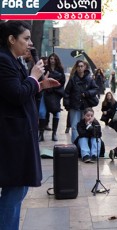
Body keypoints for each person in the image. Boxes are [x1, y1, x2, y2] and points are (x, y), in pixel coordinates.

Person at [0, 20, 57, 230]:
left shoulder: (13, 60)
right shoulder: (4, 60)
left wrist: (39, 85)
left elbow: (19, 91)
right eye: (25, 38)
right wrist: (33, 77)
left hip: (20, 134)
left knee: (19, 189)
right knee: (14, 189)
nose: (30, 43)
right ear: (11, 39)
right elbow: (15, 95)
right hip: (12, 136)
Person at [63, 60, 99, 143]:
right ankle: (75, 144)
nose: (80, 68)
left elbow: (96, 89)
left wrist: (87, 93)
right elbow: (67, 92)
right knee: (74, 126)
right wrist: (66, 104)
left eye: (81, 66)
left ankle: (84, 143)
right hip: (74, 106)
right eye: (78, 66)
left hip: (86, 106)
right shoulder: (72, 79)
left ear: (85, 67)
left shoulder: (89, 79)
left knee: (86, 125)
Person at [37, 53, 65, 142]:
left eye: (54, 58)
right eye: (51, 58)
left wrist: (55, 89)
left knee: (56, 113)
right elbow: (41, 80)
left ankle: (54, 133)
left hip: (55, 94)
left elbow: (62, 82)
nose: (52, 60)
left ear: (56, 60)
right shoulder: (45, 69)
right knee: (42, 112)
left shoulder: (60, 70)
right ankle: (41, 134)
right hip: (45, 93)